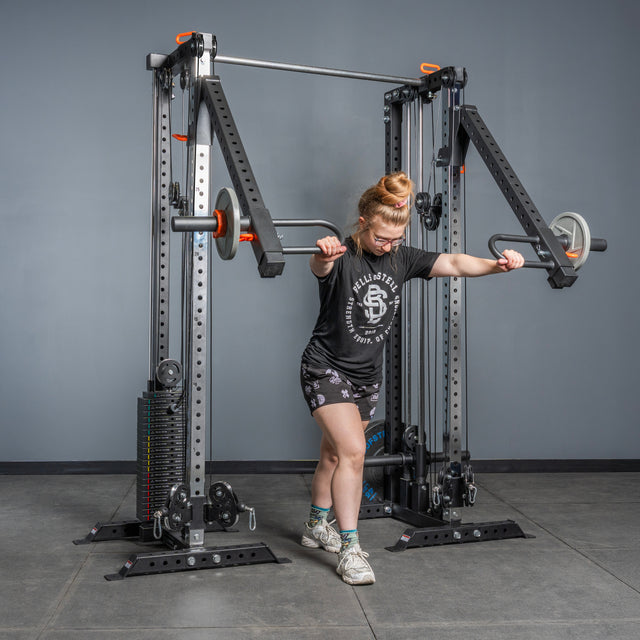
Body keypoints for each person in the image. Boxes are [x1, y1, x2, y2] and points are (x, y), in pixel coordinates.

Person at [299, 172, 524, 585]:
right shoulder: (342, 255)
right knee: (353, 452)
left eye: (396, 240)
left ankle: (316, 523)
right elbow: (319, 265)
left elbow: (454, 263)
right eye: (382, 238)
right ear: (363, 222)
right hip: (324, 367)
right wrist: (324, 254)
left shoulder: (401, 258)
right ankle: (351, 549)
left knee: (333, 456)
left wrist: (497, 265)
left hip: (366, 376)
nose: (388, 247)